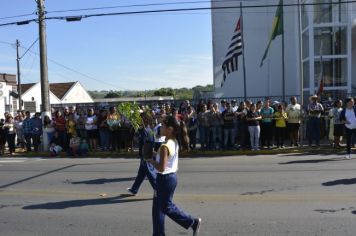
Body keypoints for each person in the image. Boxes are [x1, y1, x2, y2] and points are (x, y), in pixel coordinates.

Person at [146, 116, 201, 236]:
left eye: (163, 126)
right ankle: (191, 222)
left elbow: (161, 167)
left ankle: (192, 222)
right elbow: (165, 158)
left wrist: (151, 160)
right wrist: (154, 154)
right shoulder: (173, 141)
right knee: (159, 209)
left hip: (164, 179)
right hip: (169, 178)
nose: (160, 128)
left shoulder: (166, 146)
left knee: (163, 209)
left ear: (169, 129)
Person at [127, 116, 156, 196]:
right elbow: (153, 141)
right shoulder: (150, 129)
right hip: (149, 150)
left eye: (140, 120)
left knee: (150, 174)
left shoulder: (144, 130)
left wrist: (143, 153)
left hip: (145, 152)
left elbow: (142, 142)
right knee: (141, 174)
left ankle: (158, 190)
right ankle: (134, 189)